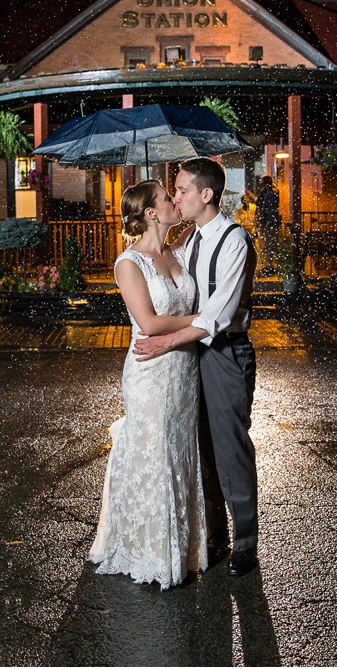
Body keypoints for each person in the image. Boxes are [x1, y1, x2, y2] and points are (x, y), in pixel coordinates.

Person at [134, 158, 260, 577]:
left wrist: (164, 341)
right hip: (188, 359)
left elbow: (217, 316)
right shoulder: (188, 241)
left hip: (225, 352)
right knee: (197, 446)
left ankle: (245, 543)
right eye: (173, 192)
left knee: (229, 448)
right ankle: (213, 534)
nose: (177, 197)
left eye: (183, 189)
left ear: (207, 195)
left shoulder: (235, 241)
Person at [89, 180, 209, 589]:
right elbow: (149, 324)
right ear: (152, 213)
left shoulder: (179, 252)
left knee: (178, 448)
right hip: (150, 372)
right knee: (154, 449)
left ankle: (183, 547)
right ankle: (150, 549)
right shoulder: (129, 264)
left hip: (184, 369)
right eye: (167, 197)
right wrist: (203, 320)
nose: (175, 201)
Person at [254, 176, 280, 273]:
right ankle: (275, 265)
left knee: (267, 244)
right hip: (274, 222)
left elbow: (261, 208)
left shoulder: (264, 193)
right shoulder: (275, 192)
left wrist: (258, 222)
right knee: (273, 244)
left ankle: (269, 266)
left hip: (266, 223)